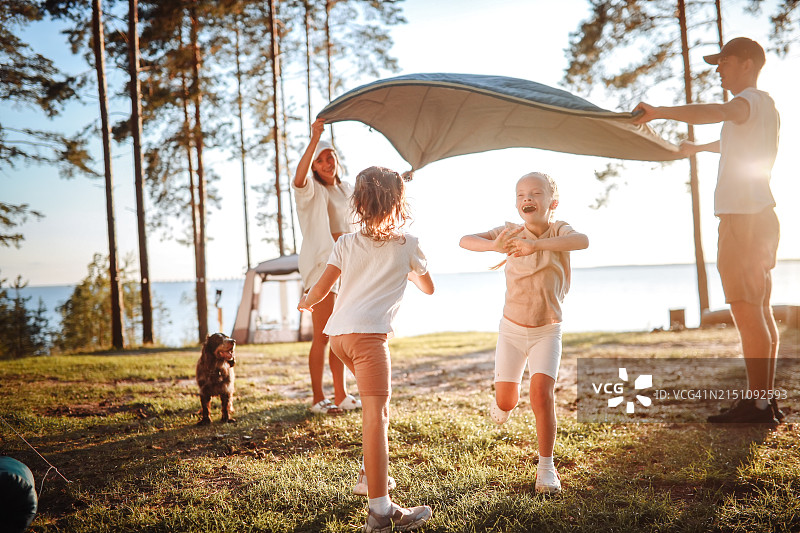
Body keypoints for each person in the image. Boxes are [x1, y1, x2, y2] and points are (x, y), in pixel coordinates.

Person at [633, 37, 782, 424]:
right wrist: (697, 149)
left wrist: (660, 111)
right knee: (760, 311)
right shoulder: (761, 108)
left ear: (747, 63)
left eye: (726, 61)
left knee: (747, 313)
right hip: (759, 217)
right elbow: (732, 142)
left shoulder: (745, 101)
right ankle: (763, 401)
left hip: (742, 221)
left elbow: (716, 111)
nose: (719, 69)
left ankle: (759, 405)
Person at [299, 166, 435, 532]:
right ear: (400, 203)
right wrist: (408, 268)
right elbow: (428, 287)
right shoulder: (408, 243)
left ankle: (367, 475)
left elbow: (323, 287)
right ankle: (380, 511)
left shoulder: (344, 242)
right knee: (374, 418)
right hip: (369, 341)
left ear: (357, 203)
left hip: (339, 339)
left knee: (381, 410)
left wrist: (306, 303)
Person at [460, 171, 588, 495]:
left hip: (548, 329)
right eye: (521, 195)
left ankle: (546, 467)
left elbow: (582, 241)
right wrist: (494, 245)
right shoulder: (509, 231)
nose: (527, 199)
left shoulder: (559, 230)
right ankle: (503, 404)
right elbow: (464, 240)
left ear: (552, 202)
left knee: (541, 395)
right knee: (508, 398)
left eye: (535, 193)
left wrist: (537, 245)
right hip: (512, 331)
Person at [293, 117, 360, 414]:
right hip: (322, 267)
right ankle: (318, 398)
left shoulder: (346, 189)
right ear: (314, 167)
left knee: (340, 333)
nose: (326, 163)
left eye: (328, 156)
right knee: (322, 336)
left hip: (347, 269)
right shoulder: (311, 191)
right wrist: (315, 138)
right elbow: (298, 180)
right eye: (319, 160)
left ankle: (341, 396)